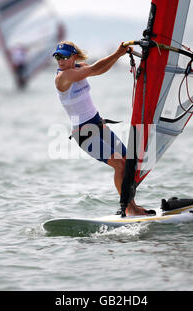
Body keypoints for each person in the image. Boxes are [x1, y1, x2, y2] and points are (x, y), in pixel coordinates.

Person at [53, 41, 153, 216]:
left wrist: (120, 55)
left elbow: (97, 69)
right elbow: (93, 70)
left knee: (130, 161)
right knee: (120, 165)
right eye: (57, 57)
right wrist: (118, 53)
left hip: (99, 125)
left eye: (64, 56)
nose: (60, 61)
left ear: (73, 57)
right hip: (84, 133)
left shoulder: (79, 67)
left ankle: (132, 205)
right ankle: (129, 208)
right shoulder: (63, 77)